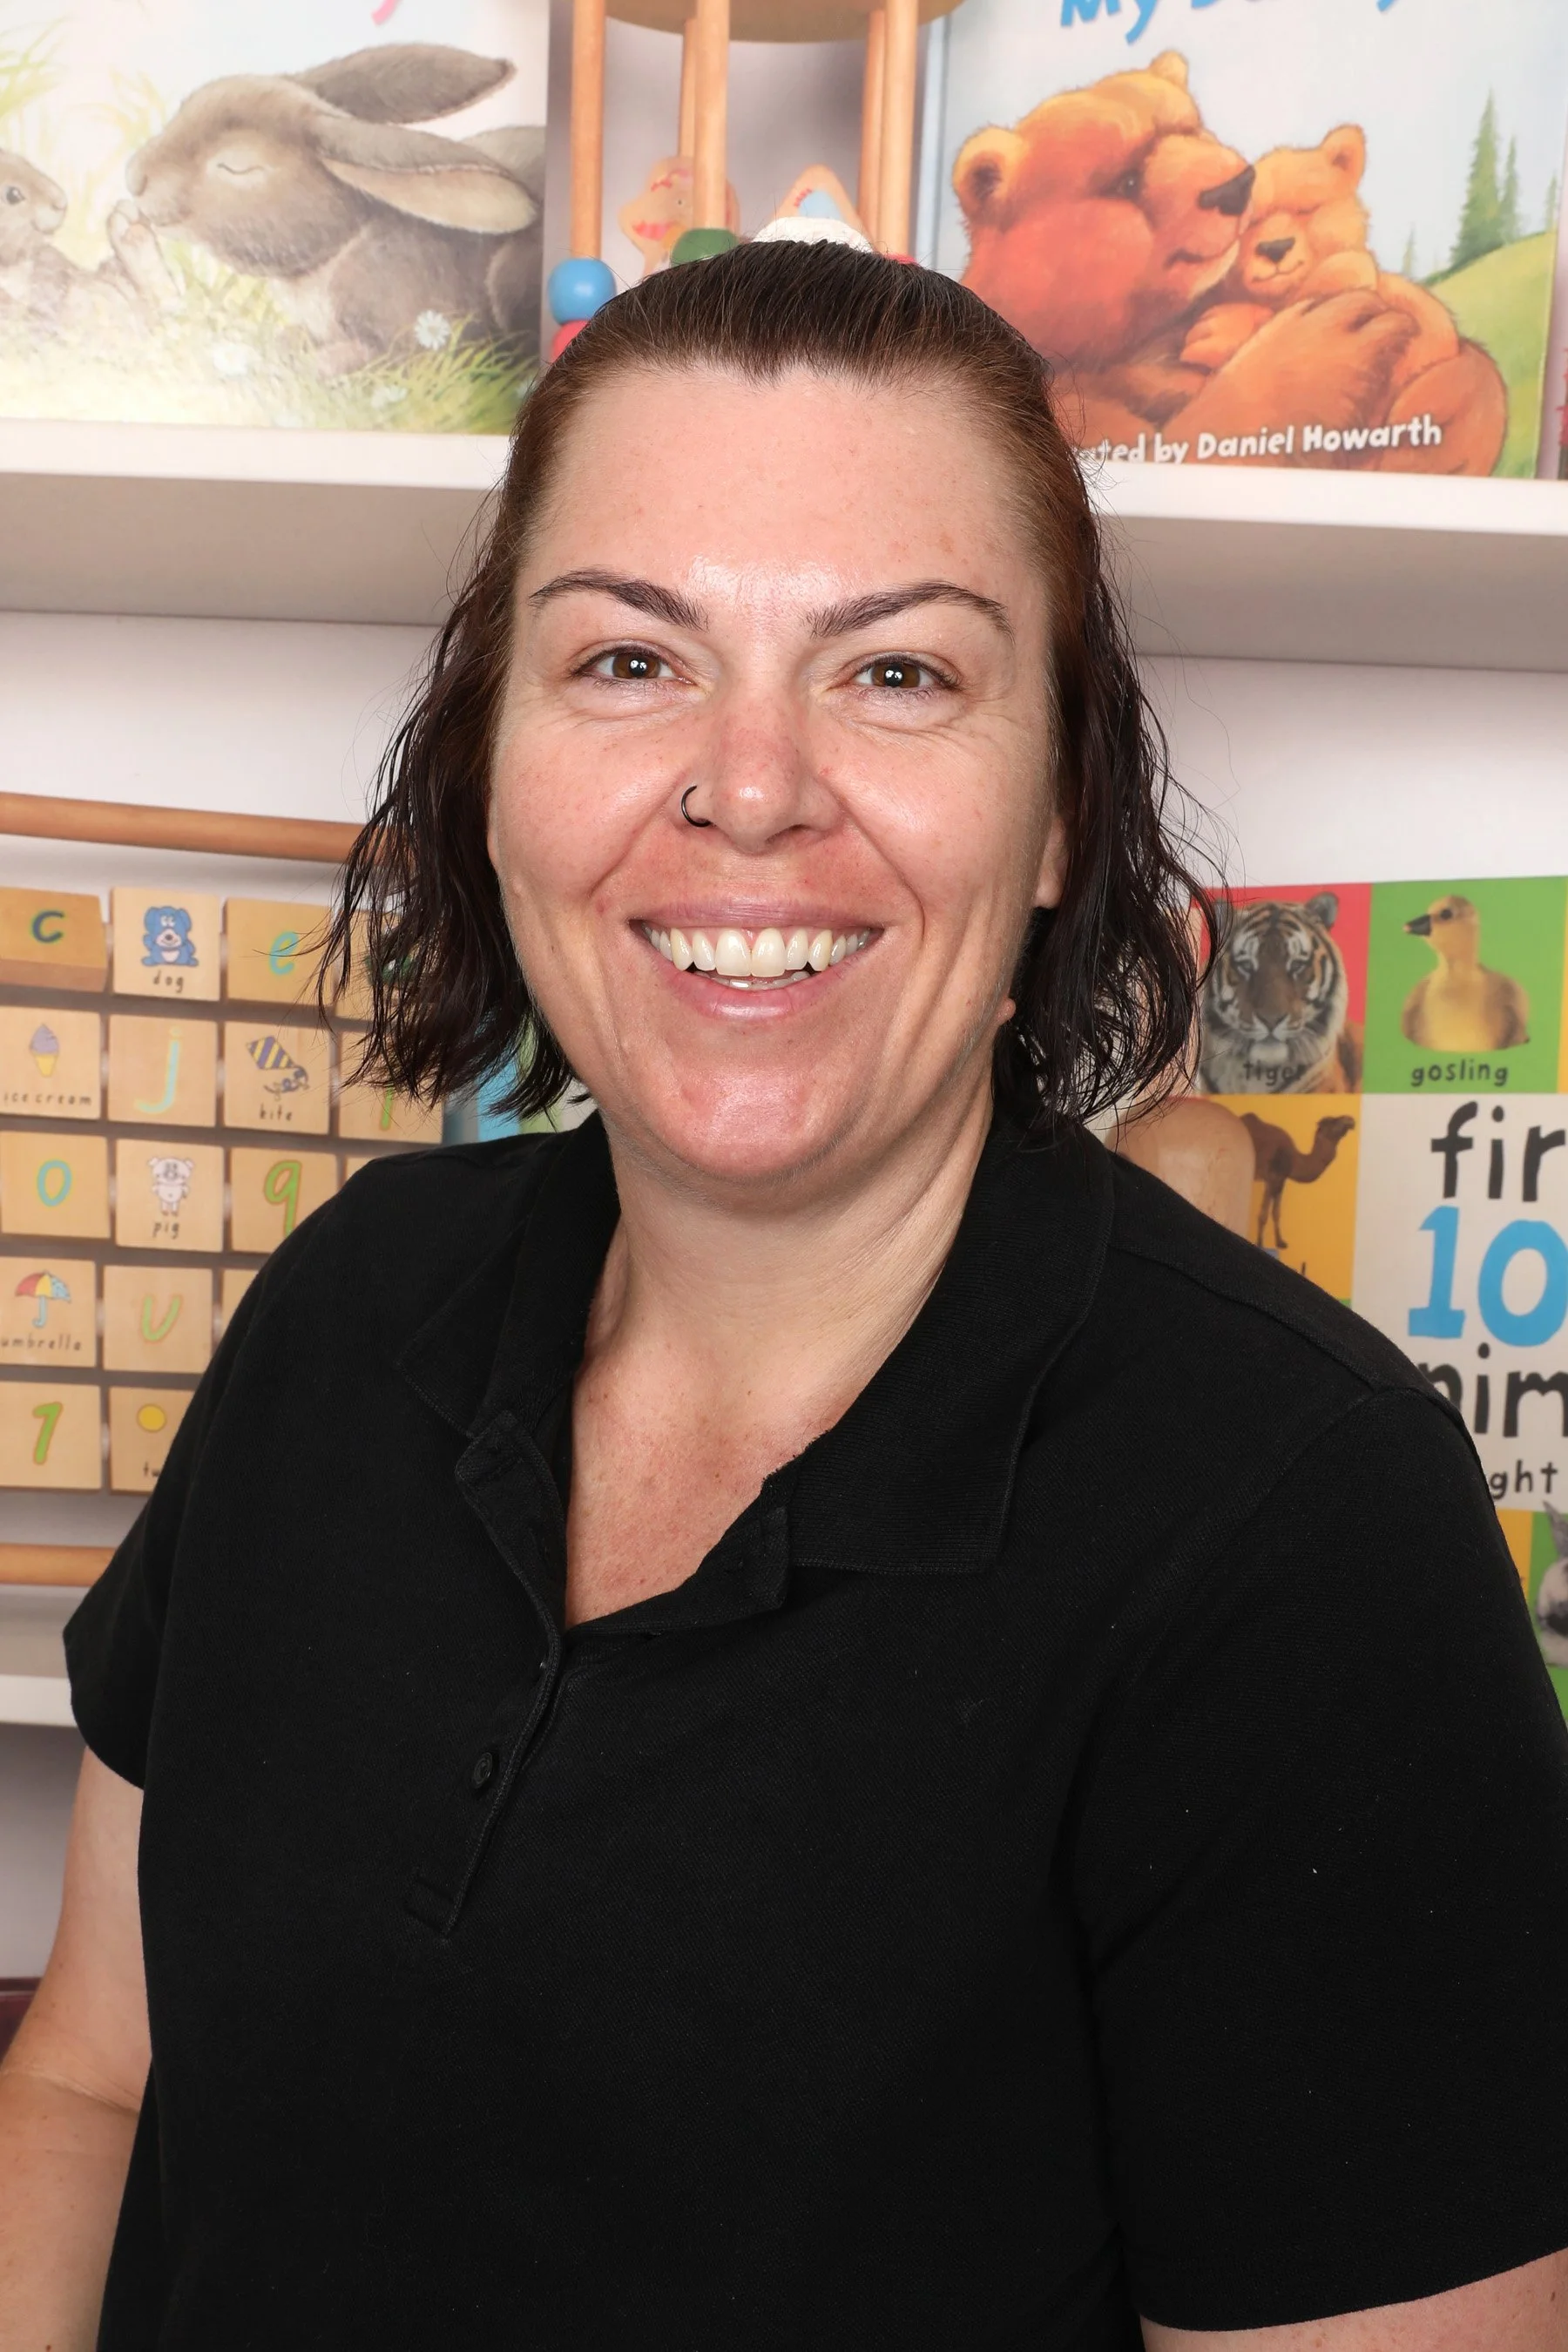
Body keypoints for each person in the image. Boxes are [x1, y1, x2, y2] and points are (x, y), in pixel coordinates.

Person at [3, 241, 1567, 2352]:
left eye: (897, 672)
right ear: (497, 761)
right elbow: (98, 2085)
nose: (750, 788)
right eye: (630, 664)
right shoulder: (344, 1311)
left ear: (1058, 811)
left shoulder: (1301, 1533)